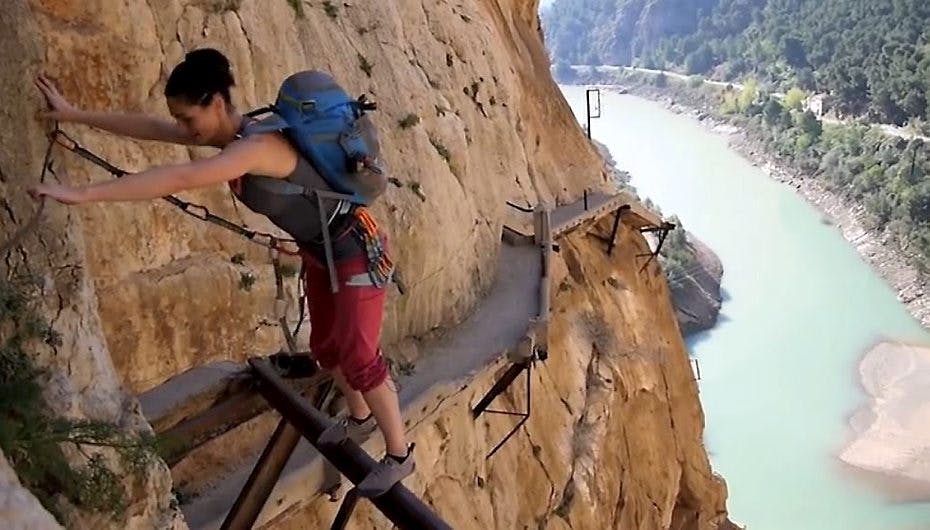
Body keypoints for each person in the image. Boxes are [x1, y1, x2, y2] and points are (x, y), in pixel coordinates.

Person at [30, 48, 414, 497]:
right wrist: (76, 116)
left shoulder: (256, 147)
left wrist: (86, 195)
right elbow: (153, 130)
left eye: (189, 118)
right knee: (328, 348)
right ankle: (360, 419)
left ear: (216, 103)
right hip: (322, 251)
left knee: (359, 355)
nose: (184, 129)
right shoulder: (234, 136)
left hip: (356, 248)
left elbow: (179, 178)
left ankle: (400, 455)